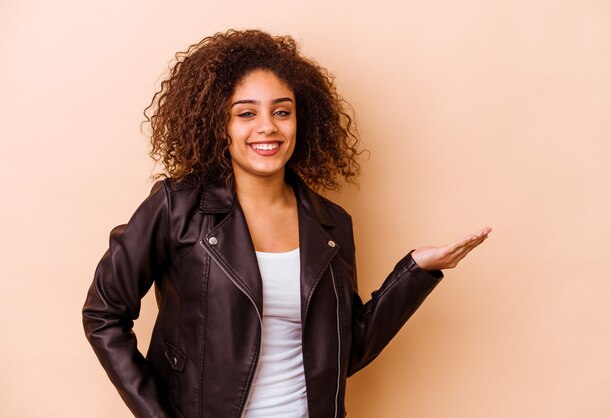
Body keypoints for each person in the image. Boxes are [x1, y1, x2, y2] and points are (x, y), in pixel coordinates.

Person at [82, 29, 491, 418]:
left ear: (301, 120)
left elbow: (343, 352)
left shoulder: (330, 224)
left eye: (282, 111)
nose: (268, 127)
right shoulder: (177, 208)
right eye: (246, 113)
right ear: (219, 124)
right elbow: (104, 313)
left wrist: (417, 271)